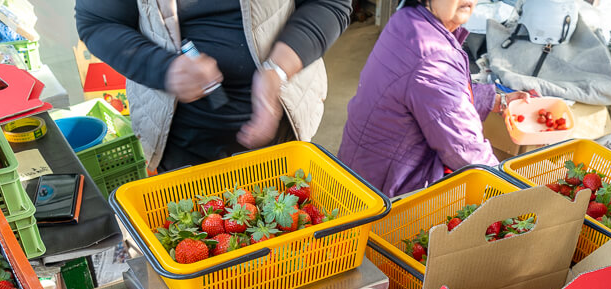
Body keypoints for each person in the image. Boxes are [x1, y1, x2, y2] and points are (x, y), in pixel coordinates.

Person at [76, 0, 351, 172]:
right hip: (180, 141)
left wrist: (278, 70)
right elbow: (98, 22)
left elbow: (331, 3)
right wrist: (163, 68)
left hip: (282, 128)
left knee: (284, 245)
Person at [338, 0, 520, 197]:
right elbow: (465, 150)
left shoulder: (407, 20)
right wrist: (516, 192)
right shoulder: (433, 56)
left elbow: (436, 97)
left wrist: (494, 100)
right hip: (388, 200)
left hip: (360, 177)